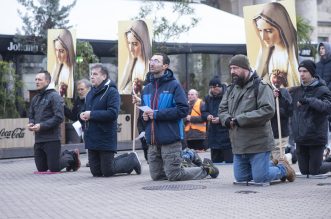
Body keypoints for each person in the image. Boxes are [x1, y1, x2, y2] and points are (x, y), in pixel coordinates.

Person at [141, 52, 219, 181]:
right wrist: (144, 116)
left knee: (174, 175)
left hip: (170, 138)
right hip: (153, 140)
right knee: (157, 176)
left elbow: (183, 110)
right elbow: (144, 113)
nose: (152, 63)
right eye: (151, 60)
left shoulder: (174, 85)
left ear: (165, 66)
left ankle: (205, 169)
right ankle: (188, 157)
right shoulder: (146, 88)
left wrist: (156, 114)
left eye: (156, 61)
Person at [219, 54, 295, 183]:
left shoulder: (261, 86)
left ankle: (283, 168)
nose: (232, 72)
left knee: (260, 178)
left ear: (246, 68)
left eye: (235, 68)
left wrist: (239, 119)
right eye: (231, 68)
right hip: (239, 144)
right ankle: (268, 166)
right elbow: (222, 109)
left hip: (258, 143)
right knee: (242, 178)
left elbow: (268, 110)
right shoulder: (231, 89)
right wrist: (226, 119)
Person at [80, 64, 141, 177]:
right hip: (92, 137)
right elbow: (85, 110)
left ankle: (132, 160)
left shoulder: (112, 92)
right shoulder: (90, 93)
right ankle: (128, 158)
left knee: (107, 171)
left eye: (95, 74)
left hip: (105, 136)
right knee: (96, 173)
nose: (92, 77)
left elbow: (113, 113)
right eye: (91, 74)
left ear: (104, 76)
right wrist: (82, 114)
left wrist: (91, 114)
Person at [28, 70, 80, 172]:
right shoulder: (35, 98)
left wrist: (41, 126)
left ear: (47, 81)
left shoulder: (54, 96)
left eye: (40, 79)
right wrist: (31, 122)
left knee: (54, 168)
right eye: (36, 79)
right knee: (41, 168)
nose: (37, 82)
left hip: (52, 138)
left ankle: (72, 155)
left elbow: (59, 117)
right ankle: (61, 155)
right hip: (39, 139)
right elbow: (31, 114)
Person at [289, 60, 331, 175]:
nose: (302, 74)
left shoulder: (322, 89)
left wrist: (309, 100)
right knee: (304, 172)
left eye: (305, 71)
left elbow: (327, 107)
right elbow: (287, 110)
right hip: (300, 138)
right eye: (300, 71)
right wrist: (278, 95)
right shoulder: (296, 91)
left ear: (312, 72)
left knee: (314, 171)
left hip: (316, 137)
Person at [253, 2, 300, 88]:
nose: (263, 37)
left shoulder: (293, 53)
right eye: (260, 30)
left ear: (282, 28)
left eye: (269, 31)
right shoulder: (267, 53)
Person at [202, 76, 232, 163]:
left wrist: (221, 119)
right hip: (213, 135)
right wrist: (208, 116)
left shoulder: (229, 96)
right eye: (211, 87)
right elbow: (204, 112)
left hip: (226, 135)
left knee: (230, 163)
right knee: (215, 163)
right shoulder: (208, 98)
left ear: (220, 87)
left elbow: (232, 112)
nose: (212, 89)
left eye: (214, 87)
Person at [119, 20, 152, 94]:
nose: (131, 49)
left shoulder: (151, 66)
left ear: (144, 42)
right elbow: (124, 90)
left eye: (134, 44)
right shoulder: (132, 64)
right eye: (129, 43)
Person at [269, 71, 296, 163]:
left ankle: (290, 157)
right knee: (272, 157)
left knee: (278, 158)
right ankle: (289, 156)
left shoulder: (285, 92)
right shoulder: (266, 90)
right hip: (268, 131)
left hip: (280, 130)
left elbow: (289, 111)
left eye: (279, 78)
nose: (276, 80)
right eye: (274, 77)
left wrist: (279, 108)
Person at [51, 29, 76, 98]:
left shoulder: (73, 70)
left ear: (68, 50)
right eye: (56, 50)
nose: (57, 55)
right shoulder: (58, 67)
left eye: (61, 51)